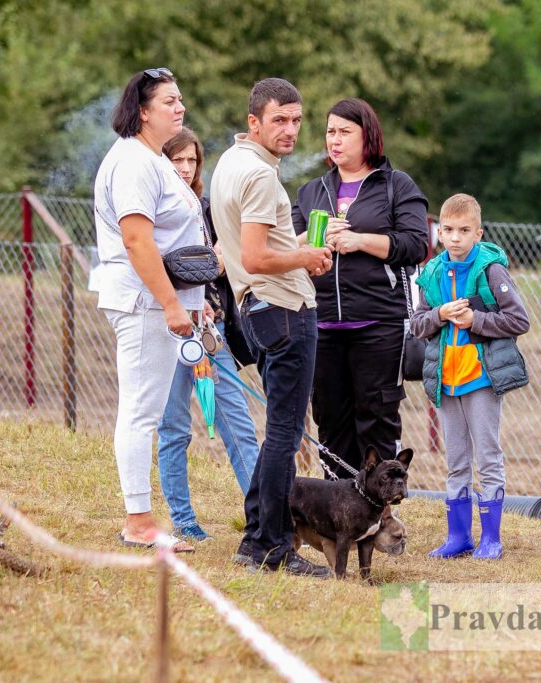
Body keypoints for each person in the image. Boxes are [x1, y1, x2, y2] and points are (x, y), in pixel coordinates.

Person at [210, 77, 333, 577]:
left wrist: (301, 242)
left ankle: (254, 532)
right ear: (253, 121)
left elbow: (251, 246)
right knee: (284, 434)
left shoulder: (230, 163)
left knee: (277, 433)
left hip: (257, 310)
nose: (290, 129)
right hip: (283, 310)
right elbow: (257, 256)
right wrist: (305, 255)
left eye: (296, 119)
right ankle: (271, 545)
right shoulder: (260, 176)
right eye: (279, 120)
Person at [92, 68, 204, 553]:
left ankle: (141, 516)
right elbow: (137, 241)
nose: (179, 108)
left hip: (156, 301)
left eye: (180, 100)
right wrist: (171, 303)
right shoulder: (134, 162)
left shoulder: (152, 158)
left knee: (147, 410)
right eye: (169, 102)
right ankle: (138, 521)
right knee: (140, 413)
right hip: (144, 302)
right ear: (142, 111)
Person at [292, 98, 429, 476]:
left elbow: (416, 245)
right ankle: (336, 514)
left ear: (367, 136)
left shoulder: (396, 185)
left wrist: (360, 241)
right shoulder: (311, 191)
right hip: (320, 324)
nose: (334, 140)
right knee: (330, 421)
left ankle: (379, 516)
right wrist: (309, 239)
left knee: (376, 420)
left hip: (379, 324)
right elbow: (285, 245)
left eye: (344, 132)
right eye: (330, 132)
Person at [409, 194, 530, 560]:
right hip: (446, 379)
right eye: (448, 230)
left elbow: (518, 320)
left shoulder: (491, 270)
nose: (456, 237)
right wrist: (441, 314)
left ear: (478, 232)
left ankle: (491, 538)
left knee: (487, 456)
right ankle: (458, 536)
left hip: (481, 378)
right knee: (456, 460)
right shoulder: (429, 274)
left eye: (464, 230)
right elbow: (417, 325)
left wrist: (475, 320)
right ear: (439, 233)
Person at [156, 127, 260, 543]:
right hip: (166, 331)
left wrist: (221, 263)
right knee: (175, 428)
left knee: (238, 423)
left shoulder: (206, 209)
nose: (184, 168)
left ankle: (265, 515)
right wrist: (205, 264)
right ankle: (183, 520)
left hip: (208, 331)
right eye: (176, 159)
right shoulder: (154, 211)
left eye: (191, 160)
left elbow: (233, 261)